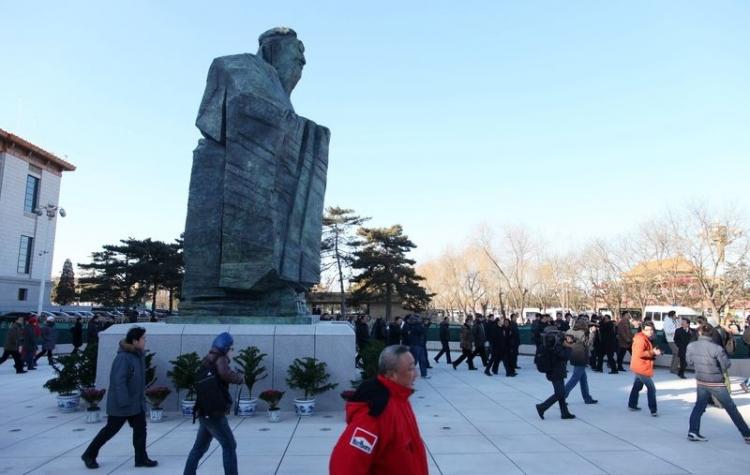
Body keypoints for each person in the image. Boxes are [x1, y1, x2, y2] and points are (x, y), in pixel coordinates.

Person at [329, 345, 428, 475]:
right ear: (391, 374)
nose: (416, 374)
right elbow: (345, 465)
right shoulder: (375, 412)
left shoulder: (400, 399)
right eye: (410, 369)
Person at [81, 327, 157, 469]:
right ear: (135, 341)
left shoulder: (137, 355)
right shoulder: (123, 358)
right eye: (143, 338)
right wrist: (124, 402)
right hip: (123, 403)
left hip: (136, 402)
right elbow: (118, 381)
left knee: (141, 430)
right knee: (110, 430)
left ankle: (141, 458)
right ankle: (89, 454)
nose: (145, 340)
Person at [184, 332, 244, 475]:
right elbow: (225, 374)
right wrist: (240, 378)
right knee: (229, 445)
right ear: (226, 348)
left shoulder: (207, 360)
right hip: (214, 412)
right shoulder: (221, 359)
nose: (232, 352)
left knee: (199, 448)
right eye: (231, 349)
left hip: (204, 411)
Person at [686, 324, 750, 444]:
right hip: (716, 383)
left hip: (701, 381)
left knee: (699, 407)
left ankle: (692, 431)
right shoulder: (716, 348)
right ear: (712, 334)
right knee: (731, 409)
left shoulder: (691, 346)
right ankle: (747, 434)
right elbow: (726, 365)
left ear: (699, 333)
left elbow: (689, 362)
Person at [535, 328, 576, 420]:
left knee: (560, 392)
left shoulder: (550, 345)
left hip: (555, 371)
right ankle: (542, 407)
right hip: (555, 372)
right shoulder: (555, 346)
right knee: (560, 393)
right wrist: (569, 345)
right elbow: (565, 356)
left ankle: (564, 412)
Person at [628, 322, 662, 416]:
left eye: (651, 329)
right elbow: (639, 353)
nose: (650, 331)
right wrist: (653, 352)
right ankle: (653, 410)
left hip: (639, 366)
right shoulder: (641, 339)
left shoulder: (643, 338)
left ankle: (632, 404)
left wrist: (653, 352)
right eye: (648, 330)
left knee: (637, 386)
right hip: (641, 367)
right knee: (651, 388)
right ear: (643, 330)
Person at [564, 326, 598, 405]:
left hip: (574, 355)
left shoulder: (569, 330)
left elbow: (566, 342)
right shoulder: (581, 333)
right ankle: (562, 397)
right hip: (581, 356)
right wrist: (592, 333)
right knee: (575, 379)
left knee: (583, 379)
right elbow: (588, 343)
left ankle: (587, 398)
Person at [663, 310, 679, 374]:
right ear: (672, 316)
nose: (676, 316)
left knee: (675, 354)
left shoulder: (673, 320)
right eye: (675, 315)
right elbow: (667, 331)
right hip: (671, 340)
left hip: (674, 339)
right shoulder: (667, 322)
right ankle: (674, 369)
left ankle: (673, 368)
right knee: (678, 353)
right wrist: (676, 330)